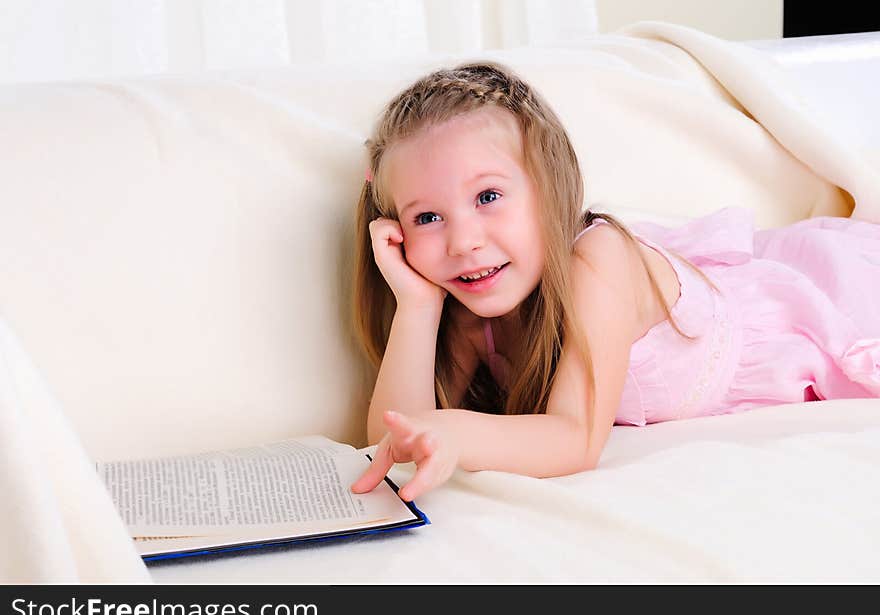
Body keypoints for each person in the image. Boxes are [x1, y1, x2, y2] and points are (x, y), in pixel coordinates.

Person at [348, 61, 880, 501]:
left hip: (815, 300)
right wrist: (416, 303)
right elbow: (392, 439)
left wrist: (455, 431)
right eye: (426, 218)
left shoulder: (599, 261)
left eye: (488, 197)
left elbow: (574, 439)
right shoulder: (468, 308)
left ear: (549, 189)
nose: (462, 242)